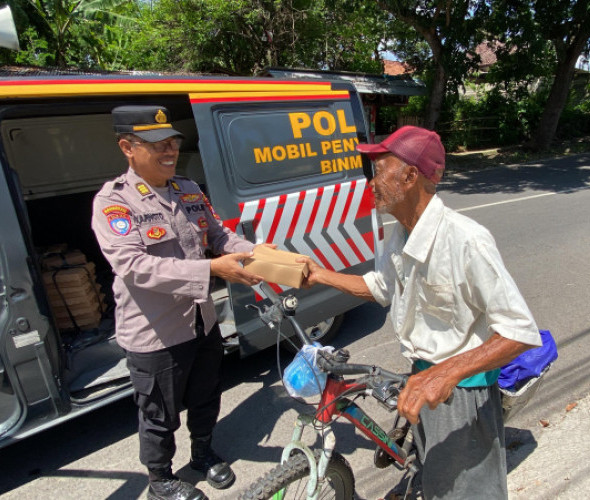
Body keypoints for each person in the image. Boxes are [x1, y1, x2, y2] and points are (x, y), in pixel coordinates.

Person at [297, 126, 542, 499]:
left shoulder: (465, 240)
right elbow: (381, 288)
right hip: (423, 380)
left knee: (467, 491)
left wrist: (444, 373)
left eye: (379, 170)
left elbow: (519, 330)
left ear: (410, 176)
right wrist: (319, 275)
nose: (371, 181)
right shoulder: (399, 234)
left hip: (460, 391)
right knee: (434, 477)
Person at [92, 105, 268, 500]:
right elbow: (134, 266)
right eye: (156, 144)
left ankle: (203, 453)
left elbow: (220, 238)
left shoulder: (188, 190)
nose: (169, 150)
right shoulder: (114, 203)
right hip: (155, 332)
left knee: (207, 394)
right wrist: (213, 271)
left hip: (201, 321)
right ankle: (161, 480)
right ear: (127, 147)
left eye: (172, 141)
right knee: (159, 414)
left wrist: (258, 253)